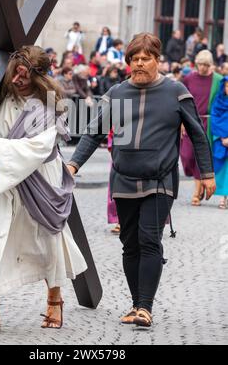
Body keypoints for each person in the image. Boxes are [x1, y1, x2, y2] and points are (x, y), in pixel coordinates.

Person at [67, 32, 215, 328]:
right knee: (129, 244)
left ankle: (145, 307)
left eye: (145, 59)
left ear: (157, 60)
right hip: (123, 179)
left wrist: (207, 174)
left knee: (149, 239)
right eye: (134, 59)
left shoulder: (176, 92)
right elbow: (94, 132)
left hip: (160, 182)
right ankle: (137, 304)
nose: (139, 64)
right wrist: (72, 164)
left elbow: (198, 134)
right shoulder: (117, 94)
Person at [0, 45, 87, 334]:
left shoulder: (46, 107)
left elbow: (39, 148)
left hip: (39, 178)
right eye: (15, 73)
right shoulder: (0, 97)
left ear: (39, 77)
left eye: (25, 75)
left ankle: (54, 300)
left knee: (46, 240)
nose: (18, 79)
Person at [180, 50, 222, 206]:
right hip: (190, 120)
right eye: (200, 64)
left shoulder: (217, 80)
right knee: (187, 155)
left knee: (201, 157)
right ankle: (200, 184)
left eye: (206, 65)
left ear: (210, 65)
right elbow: (180, 101)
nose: (203, 68)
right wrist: (182, 122)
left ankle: (197, 192)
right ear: (196, 63)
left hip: (208, 122)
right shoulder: (189, 78)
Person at [211, 76, 228, 209]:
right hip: (221, 141)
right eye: (227, 86)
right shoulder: (218, 101)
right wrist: (222, 137)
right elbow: (215, 120)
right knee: (223, 171)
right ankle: (223, 198)